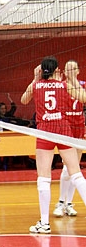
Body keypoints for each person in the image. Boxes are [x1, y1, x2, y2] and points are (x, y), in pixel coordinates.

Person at [20, 56, 86, 234]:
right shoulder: (64, 86)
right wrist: (72, 79)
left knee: (43, 178)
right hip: (63, 130)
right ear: (57, 70)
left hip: (45, 132)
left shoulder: (36, 85)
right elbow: (84, 98)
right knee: (76, 174)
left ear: (41, 70)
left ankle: (44, 223)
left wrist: (35, 78)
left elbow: (23, 100)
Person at [53, 60, 86, 218]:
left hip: (79, 126)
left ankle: (69, 203)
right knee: (67, 166)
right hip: (65, 127)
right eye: (68, 69)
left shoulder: (83, 85)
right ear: (64, 71)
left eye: (73, 69)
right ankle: (61, 202)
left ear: (78, 71)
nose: (70, 71)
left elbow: (83, 98)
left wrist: (74, 81)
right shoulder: (60, 85)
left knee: (75, 168)